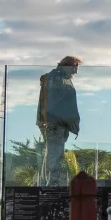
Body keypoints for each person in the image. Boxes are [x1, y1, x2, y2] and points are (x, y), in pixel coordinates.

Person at [37, 56, 82, 187]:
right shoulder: (56, 78)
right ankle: (52, 184)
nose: (75, 72)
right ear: (67, 65)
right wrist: (60, 120)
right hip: (55, 123)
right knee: (55, 154)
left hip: (57, 123)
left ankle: (49, 182)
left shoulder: (59, 78)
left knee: (52, 153)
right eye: (74, 67)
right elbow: (53, 102)